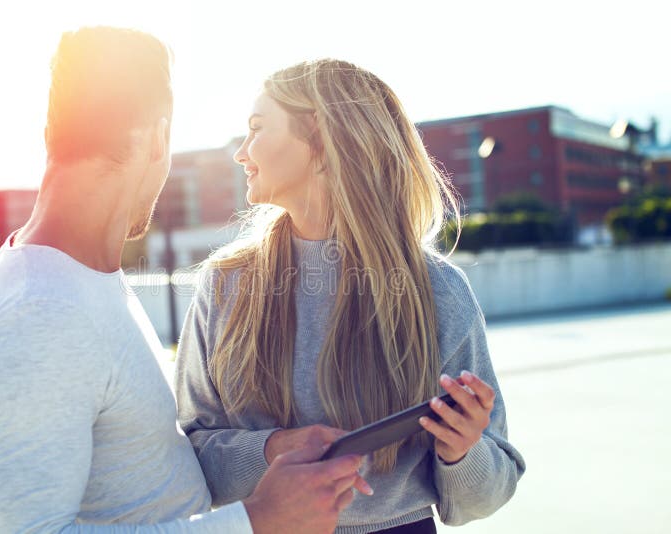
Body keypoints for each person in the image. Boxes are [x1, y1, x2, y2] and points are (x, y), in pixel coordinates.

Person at [0, 28, 371, 534]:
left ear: (51, 134)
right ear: (157, 139)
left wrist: (269, 451)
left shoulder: (83, 278)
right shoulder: (37, 314)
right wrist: (257, 522)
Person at [174, 59, 526, 533]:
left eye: (257, 129)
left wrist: (462, 449)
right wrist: (276, 450)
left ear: (321, 141)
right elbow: (188, 458)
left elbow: (486, 495)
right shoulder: (224, 284)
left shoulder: (438, 289)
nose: (241, 152)